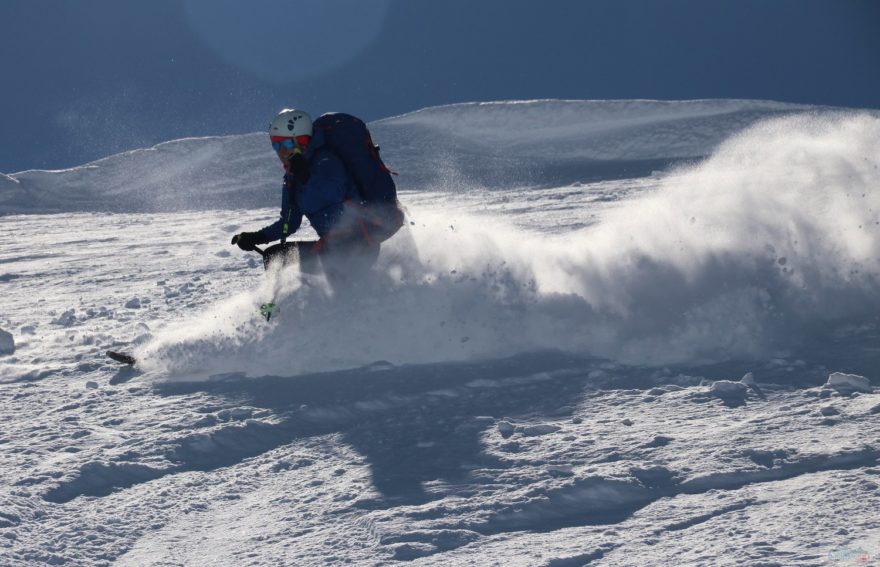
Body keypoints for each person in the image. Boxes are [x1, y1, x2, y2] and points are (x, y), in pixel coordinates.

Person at [231, 109, 403, 284]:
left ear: (302, 140)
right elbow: (289, 223)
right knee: (275, 256)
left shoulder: (326, 159)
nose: (281, 151)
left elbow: (334, 191)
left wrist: (306, 176)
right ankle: (290, 307)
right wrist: (256, 237)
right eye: (276, 146)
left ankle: (357, 303)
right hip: (332, 246)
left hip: (360, 241)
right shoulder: (292, 178)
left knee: (340, 280)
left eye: (286, 145)